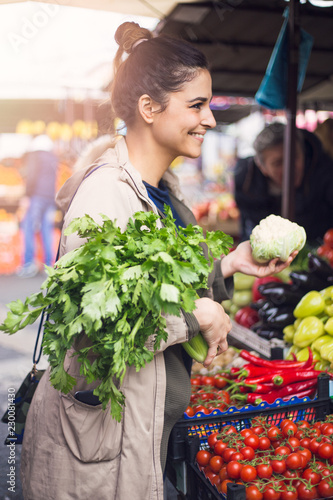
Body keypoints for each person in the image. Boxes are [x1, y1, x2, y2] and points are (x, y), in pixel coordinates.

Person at [20, 23, 296, 500]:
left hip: (138, 432)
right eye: (197, 105)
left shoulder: (165, 196)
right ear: (148, 108)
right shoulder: (106, 194)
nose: (210, 119)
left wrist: (229, 264)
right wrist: (198, 313)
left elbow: (158, 284)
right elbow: (98, 326)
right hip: (96, 453)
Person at [234, 121, 333, 244]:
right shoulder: (246, 183)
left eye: (294, 156)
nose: (289, 168)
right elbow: (247, 229)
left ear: (303, 151)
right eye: (278, 163)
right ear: (262, 167)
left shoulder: (324, 171)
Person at [17, 134, 58, 278]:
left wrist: (27, 196)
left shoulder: (35, 156)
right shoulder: (53, 158)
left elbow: (32, 176)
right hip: (49, 198)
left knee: (28, 227)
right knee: (47, 230)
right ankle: (49, 264)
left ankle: (29, 263)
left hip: (36, 197)